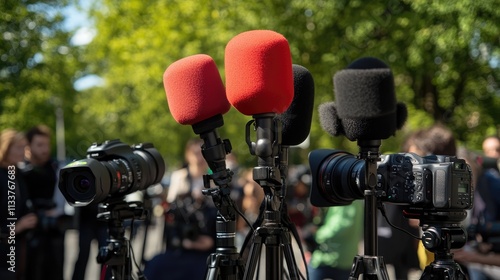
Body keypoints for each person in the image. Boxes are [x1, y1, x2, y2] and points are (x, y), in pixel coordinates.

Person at [145, 139, 217, 280]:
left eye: (202, 154)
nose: (199, 158)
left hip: (206, 239)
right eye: (195, 153)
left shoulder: (213, 179)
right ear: (188, 155)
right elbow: (172, 210)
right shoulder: (180, 177)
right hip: (181, 241)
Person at [20, 125, 64, 280]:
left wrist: (56, 211)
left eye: (47, 144)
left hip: (52, 231)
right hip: (28, 234)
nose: (45, 149)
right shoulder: (18, 172)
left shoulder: (55, 168)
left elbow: (61, 200)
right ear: (28, 146)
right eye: (39, 145)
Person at [0, 129, 38, 280]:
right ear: (6, 148)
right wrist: (17, 227)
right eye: (19, 147)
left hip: (16, 253)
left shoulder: (16, 174)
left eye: (25, 147)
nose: (24, 151)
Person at [307, 200, 364, 280]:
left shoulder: (346, 199)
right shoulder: (354, 201)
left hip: (332, 258)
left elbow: (340, 226)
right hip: (344, 258)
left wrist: (316, 235)